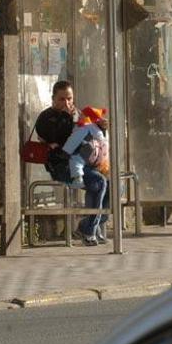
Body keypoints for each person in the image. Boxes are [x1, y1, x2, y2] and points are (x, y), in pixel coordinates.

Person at [35, 81, 110, 246]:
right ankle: (89, 230)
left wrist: (99, 126)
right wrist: (69, 118)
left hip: (84, 164)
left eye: (69, 99)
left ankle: (88, 224)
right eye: (61, 99)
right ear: (53, 98)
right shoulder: (47, 117)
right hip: (62, 166)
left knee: (113, 186)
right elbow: (59, 138)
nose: (66, 103)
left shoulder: (77, 114)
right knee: (98, 182)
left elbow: (88, 134)